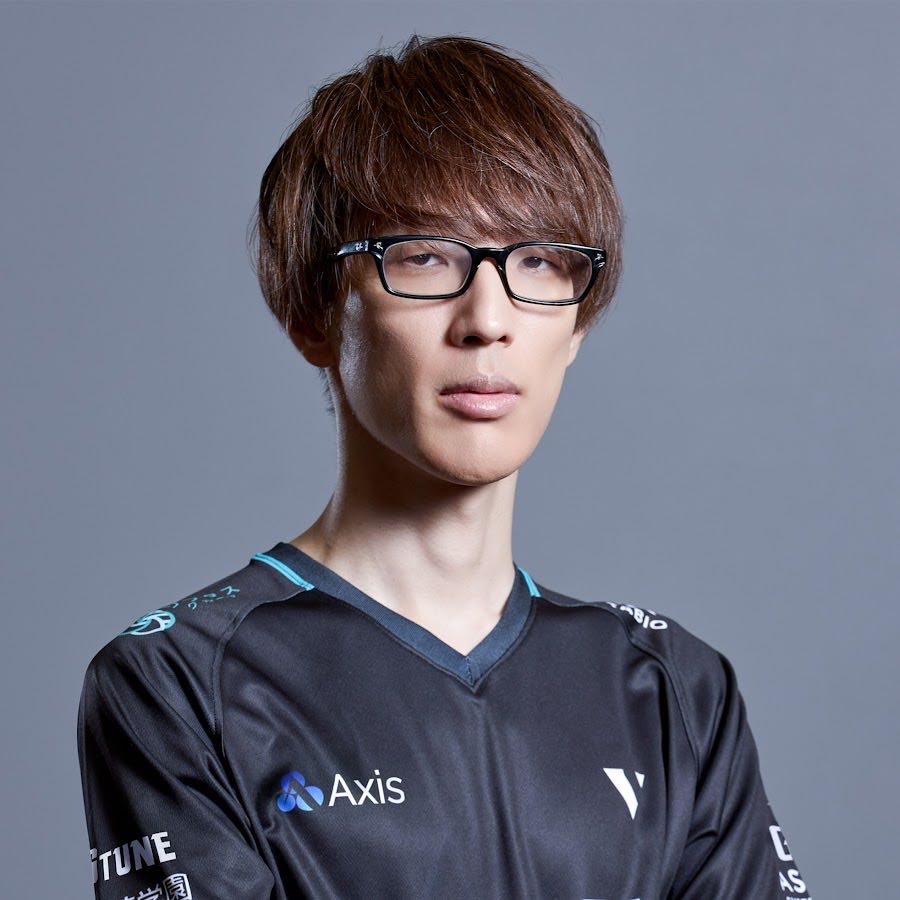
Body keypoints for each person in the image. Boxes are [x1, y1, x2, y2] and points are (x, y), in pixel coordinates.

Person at [76, 33, 810, 900]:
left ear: (576, 325)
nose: (488, 319)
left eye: (539, 261)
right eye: (424, 256)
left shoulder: (673, 689)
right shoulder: (180, 680)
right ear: (314, 311)